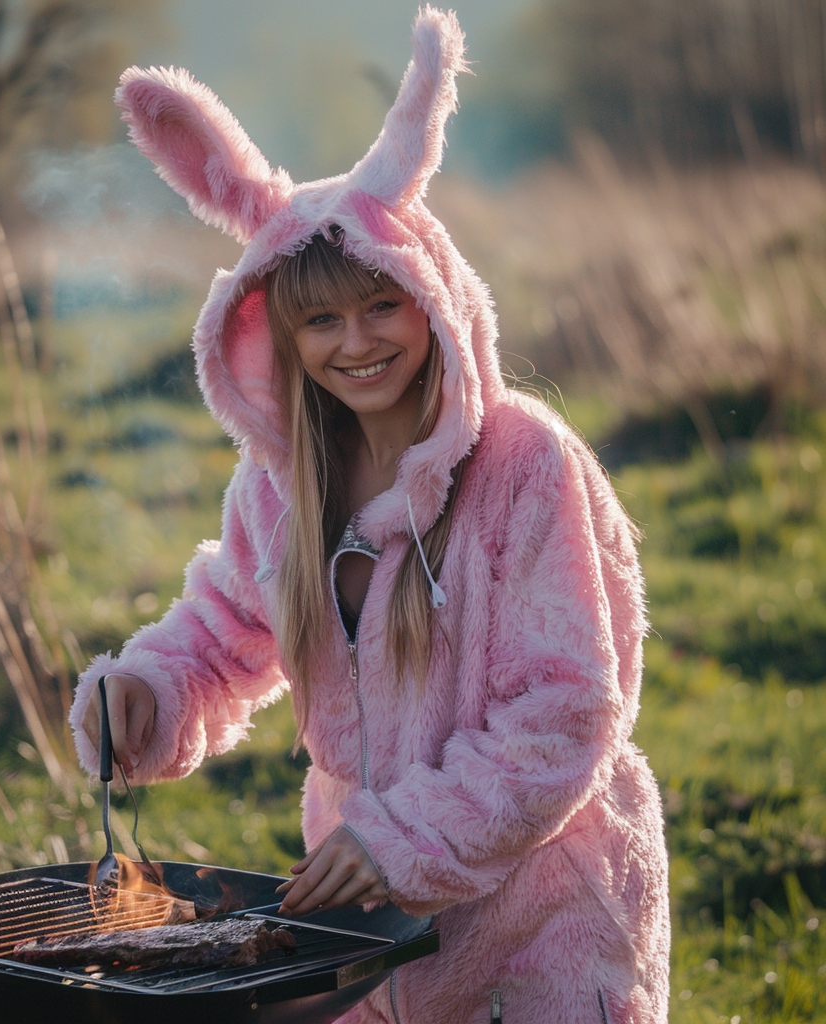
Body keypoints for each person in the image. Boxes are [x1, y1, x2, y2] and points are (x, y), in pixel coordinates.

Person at [70, 8, 670, 1022]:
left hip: (545, 916)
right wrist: (147, 693)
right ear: (278, 336)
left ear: (431, 300)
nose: (356, 343)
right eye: (320, 320)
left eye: (380, 306)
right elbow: (221, 637)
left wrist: (399, 838)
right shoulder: (281, 486)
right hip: (375, 924)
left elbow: (565, 710)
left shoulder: (526, 468)